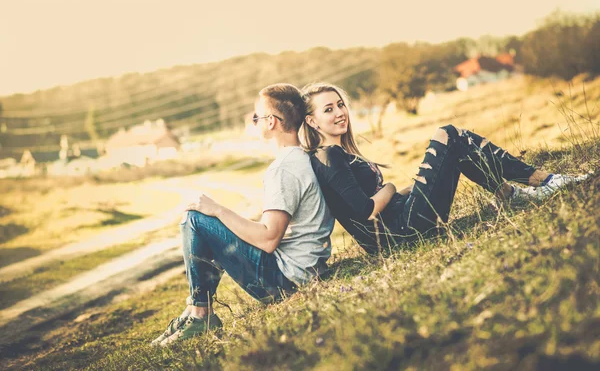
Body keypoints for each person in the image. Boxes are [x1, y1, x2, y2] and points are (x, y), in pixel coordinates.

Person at [301, 82, 591, 254]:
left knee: (457, 146)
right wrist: (389, 188)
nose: (339, 113)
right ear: (312, 121)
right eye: (328, 109)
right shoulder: (328, 156)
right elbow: (365, 210)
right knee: (450, 134)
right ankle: (541, 181)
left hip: (403, 220)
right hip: (403, 233)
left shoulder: (337, 153)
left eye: (340, 105)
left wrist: (409, 188)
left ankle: (514, 191)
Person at [152, 84, 334, 346]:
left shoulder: (284, 169)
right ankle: (195, 310)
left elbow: (269, 238)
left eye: (255, 117)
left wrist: (218, 210)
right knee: (209, 222)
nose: (254, 121)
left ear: (271, 122)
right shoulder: (302, 158)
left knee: (195, 219)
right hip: (300, 272)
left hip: (284, 281)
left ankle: (200, 313)